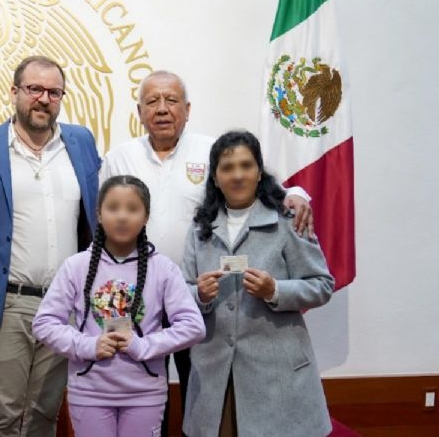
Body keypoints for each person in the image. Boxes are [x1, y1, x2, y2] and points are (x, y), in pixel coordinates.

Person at [99, 70, 315, 432]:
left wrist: (299, 193)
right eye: (152, 101)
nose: (162, 109)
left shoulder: (210, 149)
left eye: (171, 101)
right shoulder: (119, 158)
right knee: (145, 391)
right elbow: (102, 216)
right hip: (139, 296)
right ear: (139, 111)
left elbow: (258, 179)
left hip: (198, 298)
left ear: (187, 109)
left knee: (198, 389)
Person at [0, 55, 101, 437]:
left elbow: (94, 217)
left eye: (54, 92)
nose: (43, 99)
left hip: (64, 303)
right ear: (15, 92)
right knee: (5, 414)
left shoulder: (81, 142)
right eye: (34, 89)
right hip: (8, 302)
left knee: (44, 414)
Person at [181, 130, 334, 437]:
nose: (237, 175)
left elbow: (322, 284)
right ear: (214, 178)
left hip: (276, 375)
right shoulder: (200, 229)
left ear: (259, 172)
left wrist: (276, 291)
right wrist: (200, 294)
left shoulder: (288, 221)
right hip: (216, 375)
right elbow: (182, 290)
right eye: (227, 168)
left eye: (246, 165)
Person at [32, 175, 205, 437]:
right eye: (113, 208)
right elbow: (44, 324)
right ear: (99, 214)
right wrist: (87, 345)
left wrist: (144, 345)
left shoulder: (164, 268)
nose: (122, 217)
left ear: (146, 216)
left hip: (145, 393)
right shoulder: (76, 266)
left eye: (132, 209)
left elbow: (193, 327)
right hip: (89, 393)